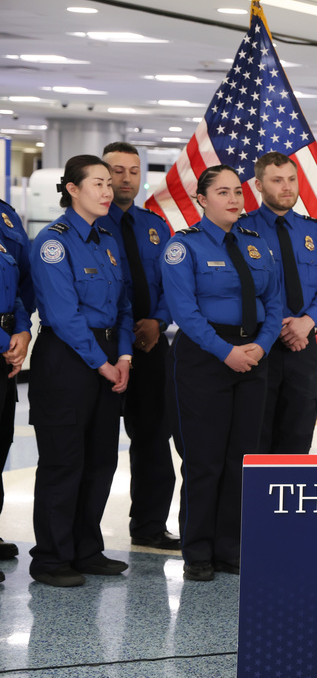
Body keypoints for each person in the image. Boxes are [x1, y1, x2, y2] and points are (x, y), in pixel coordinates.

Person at [162, 165, 283, 581]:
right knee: (204, 460)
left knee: (242, 459)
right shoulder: (184, 248)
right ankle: (197, 552)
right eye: (223, 192)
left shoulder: (256, 245)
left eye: (238, 192)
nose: (234, 200)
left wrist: (262, 346)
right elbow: (185, 313)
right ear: (202, 199)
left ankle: (231, 549)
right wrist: (225, 352)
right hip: (204, 357)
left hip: (252, 356)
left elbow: (275, 302)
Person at [28, 155, 133, 587]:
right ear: (72, 189)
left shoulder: (108, 239)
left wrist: (124, 357)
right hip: (68, 359)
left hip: (109, 354)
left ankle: (86, 549)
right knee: (63, 462)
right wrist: (103, 364)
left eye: (110, 184)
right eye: (98, 183)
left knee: (100, 460)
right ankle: (52, 558)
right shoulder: (53, 242)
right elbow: (64, 315)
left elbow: (125, 305)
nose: (108, 191)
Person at [99, 142, 179, 551]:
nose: (126, 178)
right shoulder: (94, 224)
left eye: (133, 170)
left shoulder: (156, 226)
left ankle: (149, 526)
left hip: (150, 347)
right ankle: (82, 535)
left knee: (153, 438)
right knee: (94, 444)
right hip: (105, 347)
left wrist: (158, 321)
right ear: (102, 175)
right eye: (117, 170)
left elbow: (172, 282)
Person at [250, 152, 317, 454]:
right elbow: (237, 291)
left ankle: (286, 502)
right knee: (255, 437)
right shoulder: (241, 231)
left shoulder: (313, 230)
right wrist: (274, 326)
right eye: (277, 180)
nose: (287, 187)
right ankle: (255, 502)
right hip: (258, 348)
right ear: (259, 185)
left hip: (303, 348)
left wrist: (306, 322)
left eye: (291, 179)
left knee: (298, 438)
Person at [0, 197, 32, 563]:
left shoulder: (5, 213)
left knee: (1, 439)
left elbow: (18, 284)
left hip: (7, 343)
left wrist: (22, 331)